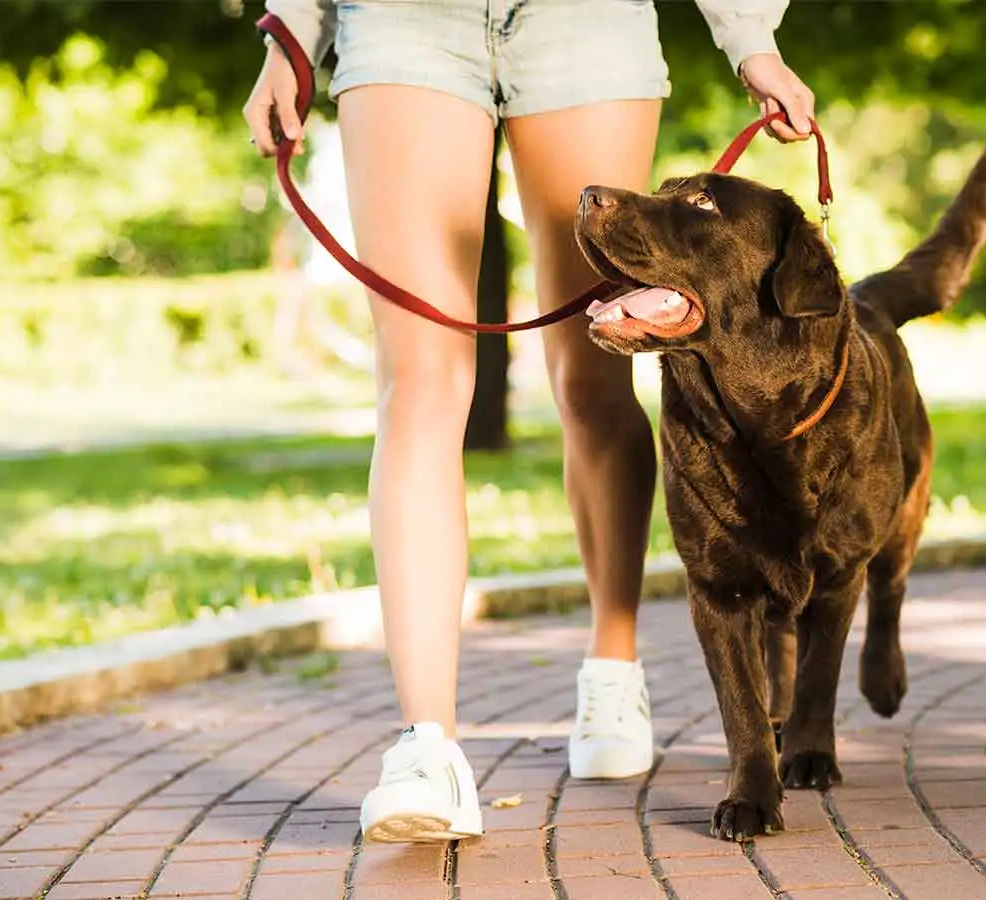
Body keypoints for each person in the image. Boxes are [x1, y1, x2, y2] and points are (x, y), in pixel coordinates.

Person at [244, 0, 815, 844]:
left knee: (592, 376)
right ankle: (425, 747)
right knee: (421, 380)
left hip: (584, 21)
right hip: (404, 24)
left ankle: (613, 666)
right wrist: (293, 31)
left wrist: (750, 37)